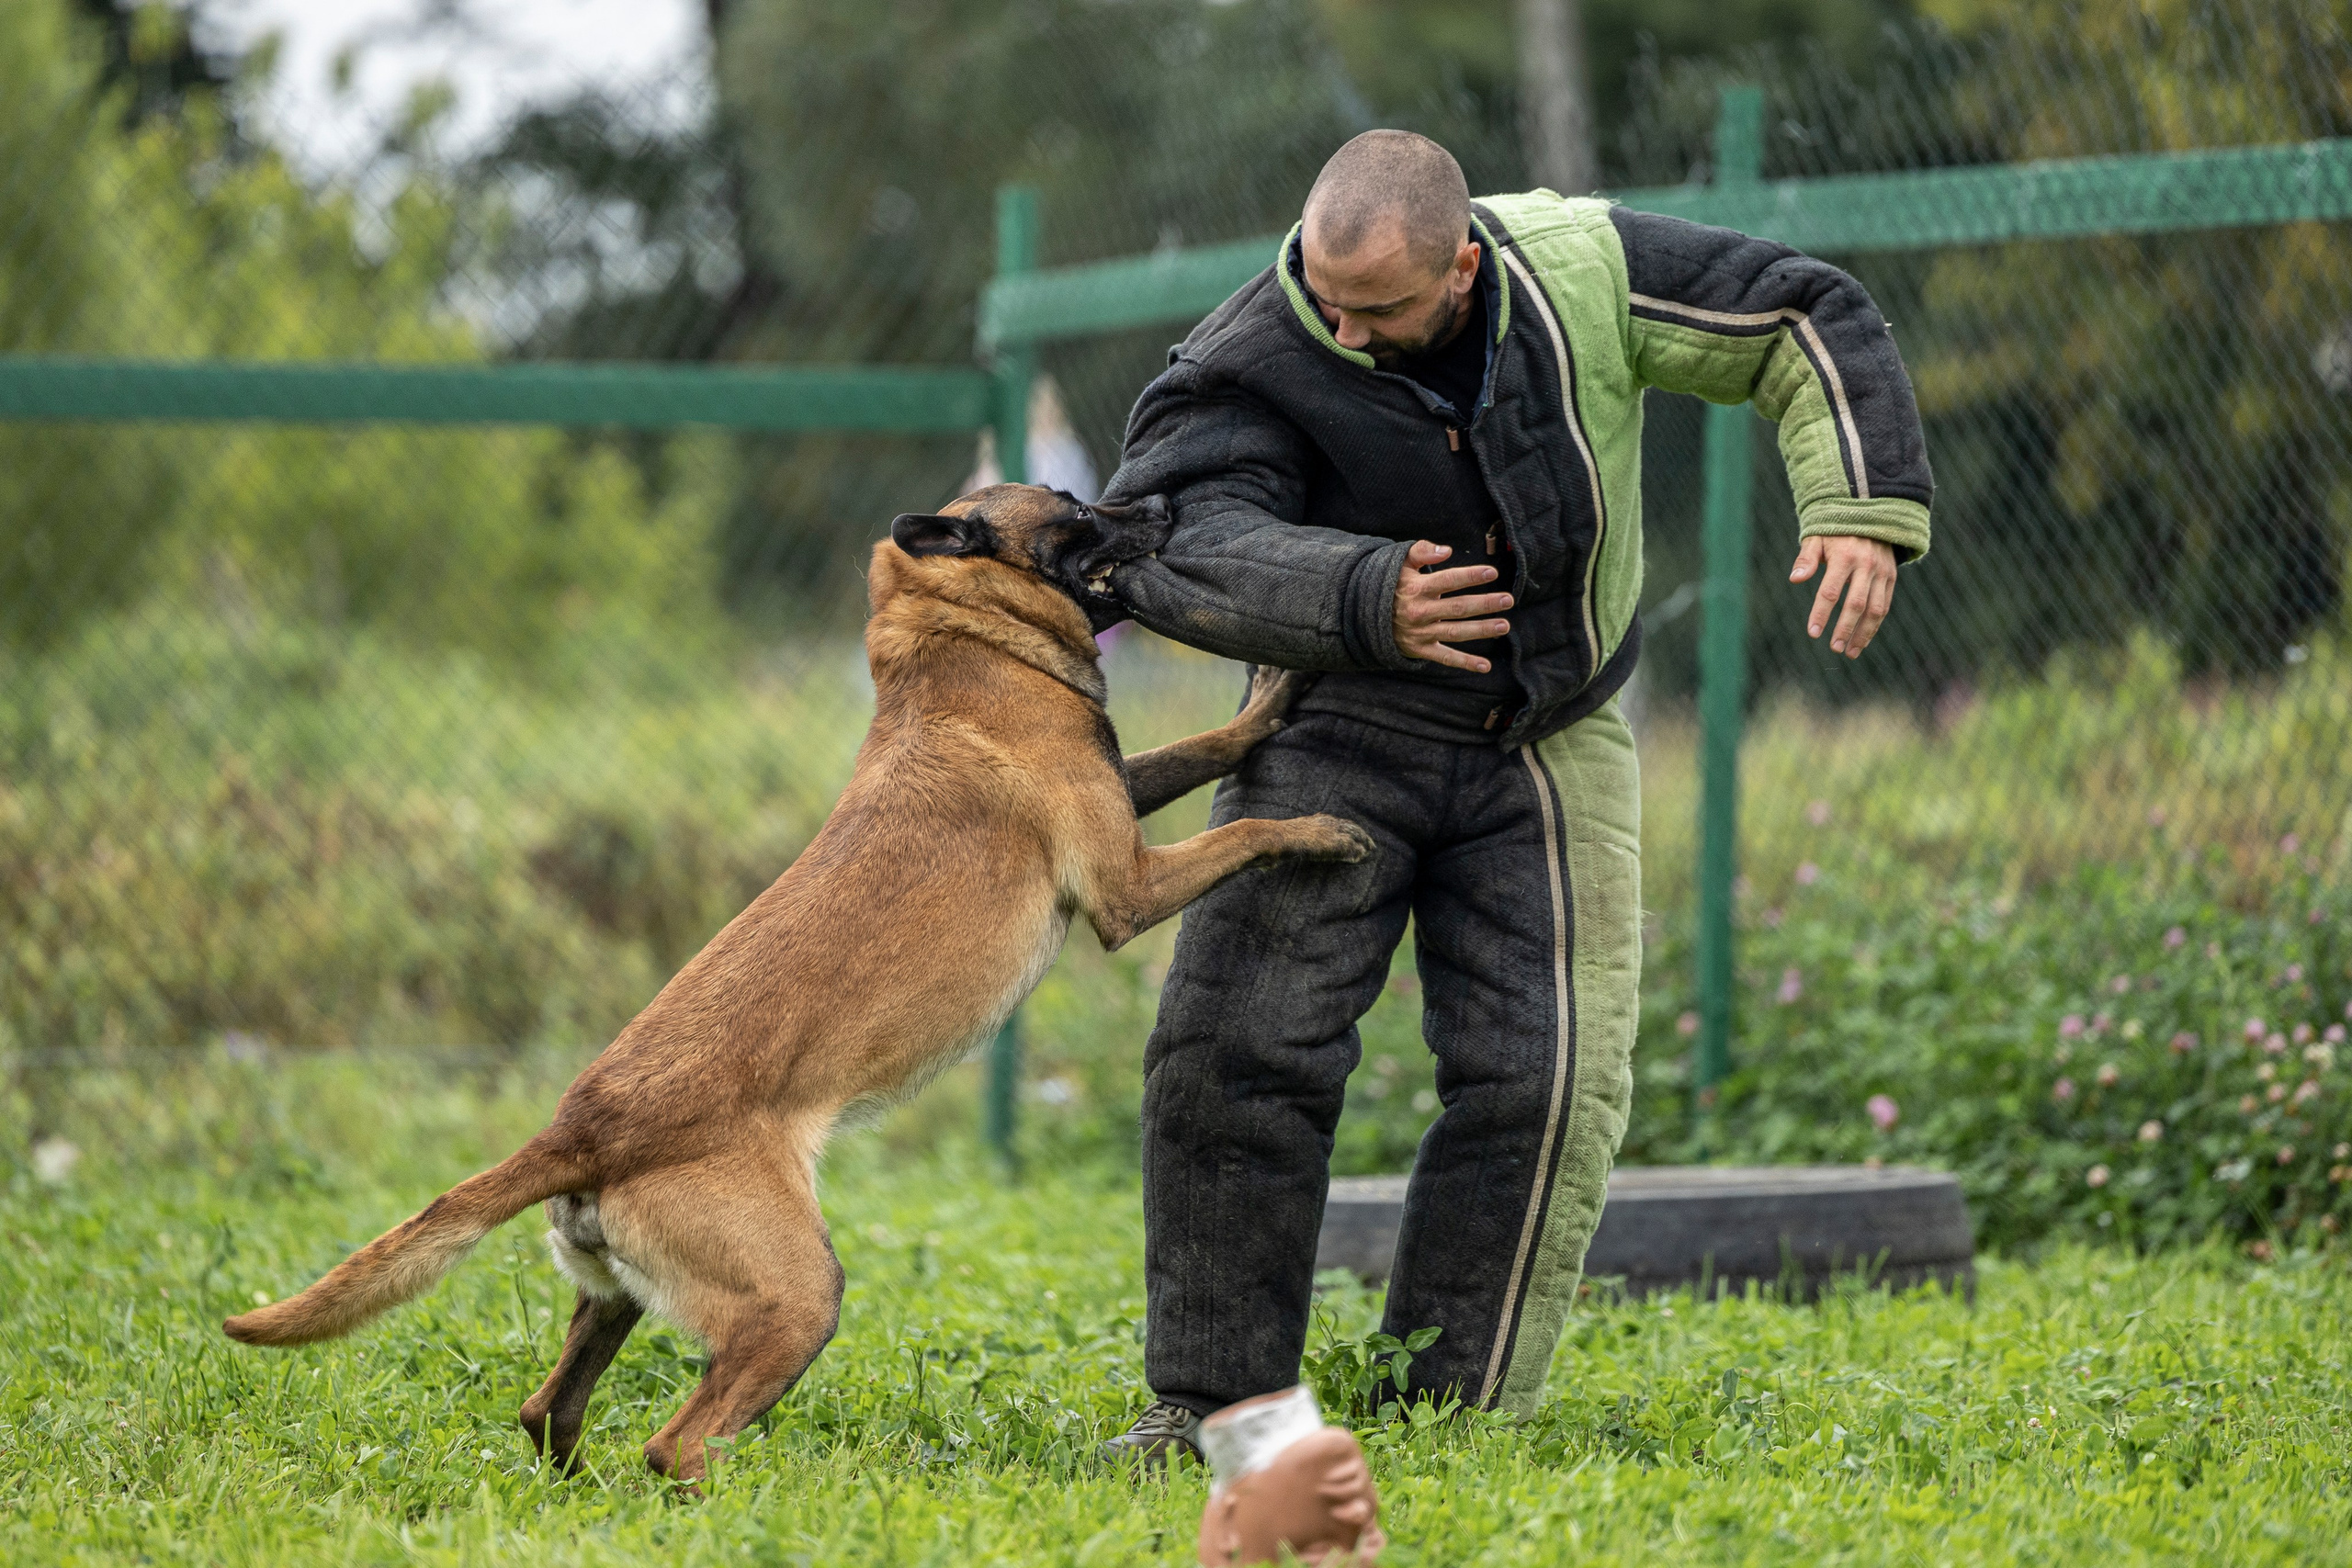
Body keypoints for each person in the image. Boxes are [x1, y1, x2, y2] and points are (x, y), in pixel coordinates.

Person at [1095, 130, 1932, 1460]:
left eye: (1380, 310)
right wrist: (1364, 597)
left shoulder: (1581, 269)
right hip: (1329, 726)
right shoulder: (1255, 347)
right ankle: (1208, 1406)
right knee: (1238, 1056)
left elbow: (1796, 312)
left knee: (1545, 1084)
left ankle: (1456, 1404)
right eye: (1326, 299)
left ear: (1466, 267)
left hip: (1551, 730)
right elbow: (1167, 538)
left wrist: (1856, 503)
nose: (1348, 334)